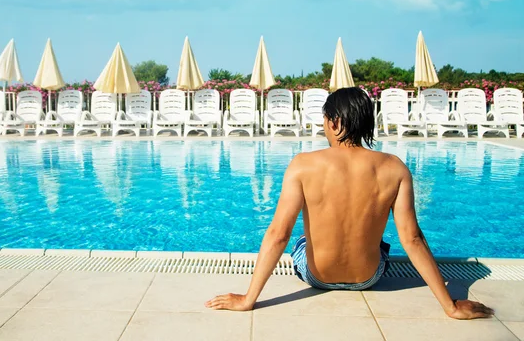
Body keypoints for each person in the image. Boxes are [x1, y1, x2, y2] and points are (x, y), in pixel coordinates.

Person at [206, 88, 493, 320]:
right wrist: (450, 305)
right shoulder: (394, 168)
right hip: (368, 277)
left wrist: (248, 299)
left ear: (333, 121)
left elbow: (278, 234)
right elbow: (413, 238)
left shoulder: (302, 165)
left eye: (324, 121)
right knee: (381, 244)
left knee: (302, 240)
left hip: (316, 275)